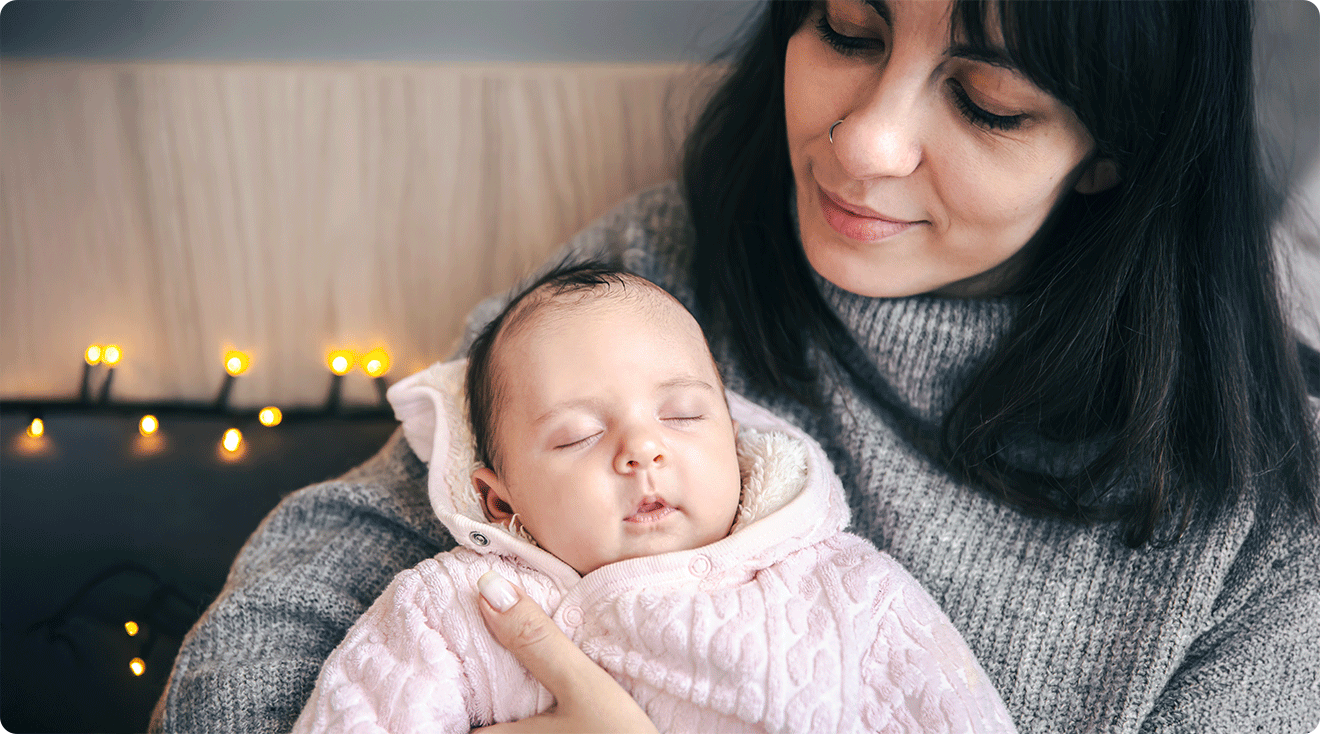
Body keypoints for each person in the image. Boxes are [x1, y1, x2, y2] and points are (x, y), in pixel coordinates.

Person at [151, 1, 1320, 732]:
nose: (863, 140)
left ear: (1117, 146)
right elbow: (319, 576)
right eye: (848, 31)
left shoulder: (1266, 540)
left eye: (987, 99)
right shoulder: (656, 274)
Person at [290, 263, 1017, 733]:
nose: (643, 449)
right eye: (577, 435)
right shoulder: (459, 613)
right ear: (498, 500)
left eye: (682, 415)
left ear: (738, 445)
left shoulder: (851, 592)